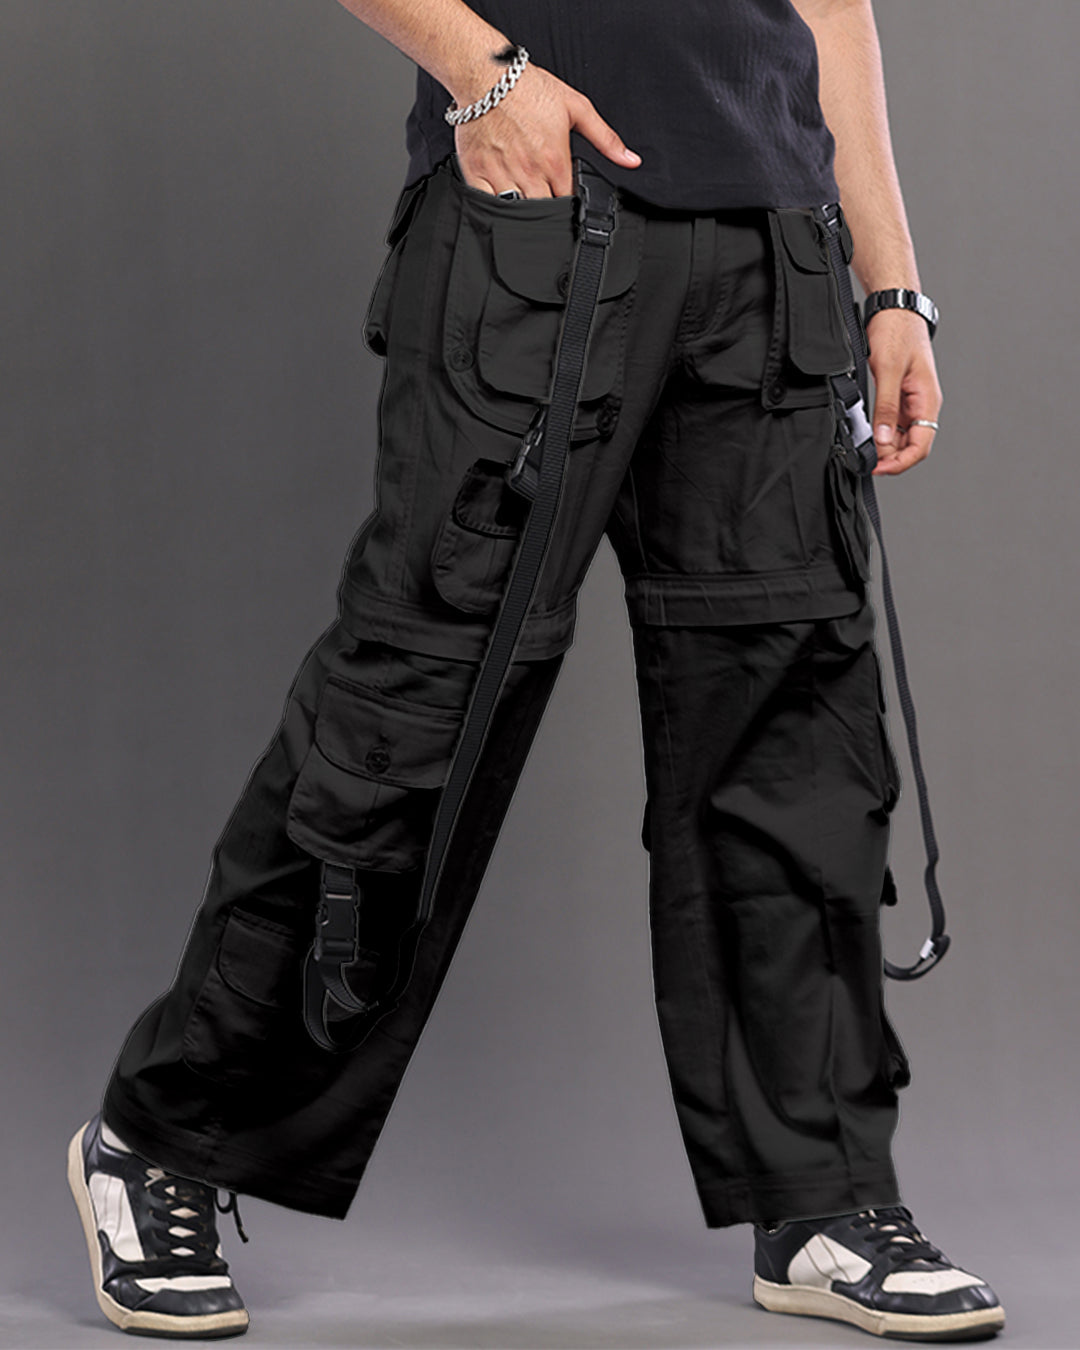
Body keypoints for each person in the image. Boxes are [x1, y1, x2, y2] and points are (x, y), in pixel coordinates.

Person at [67, 0, 1005, 1341]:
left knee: (795, 735)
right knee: (416, 705)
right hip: (538, 212)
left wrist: (891, 280)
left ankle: (819, 1195)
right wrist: (480, 69)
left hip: (773, 244)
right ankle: (165, 1138)